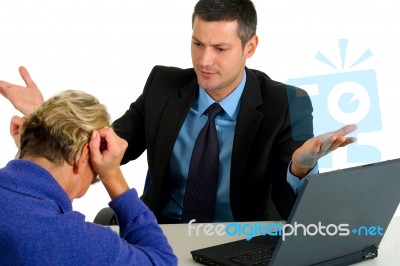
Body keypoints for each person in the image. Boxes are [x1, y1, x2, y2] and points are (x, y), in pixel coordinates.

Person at [0, 0, 356, 224]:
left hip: (241, 238)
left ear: (250, 47)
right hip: (162, 230)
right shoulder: (163, 87)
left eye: (220, 48)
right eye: (197, 43)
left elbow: (287, 205)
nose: (204, 60)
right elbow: (106, 147)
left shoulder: (285, 102)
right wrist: (44, 119)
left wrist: (299, 165)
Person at [0, 90, 177, 265]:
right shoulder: (74, 241)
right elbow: (162, 261)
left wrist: (37, 132)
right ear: (83, 156)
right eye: (96, 170)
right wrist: (112, 175)